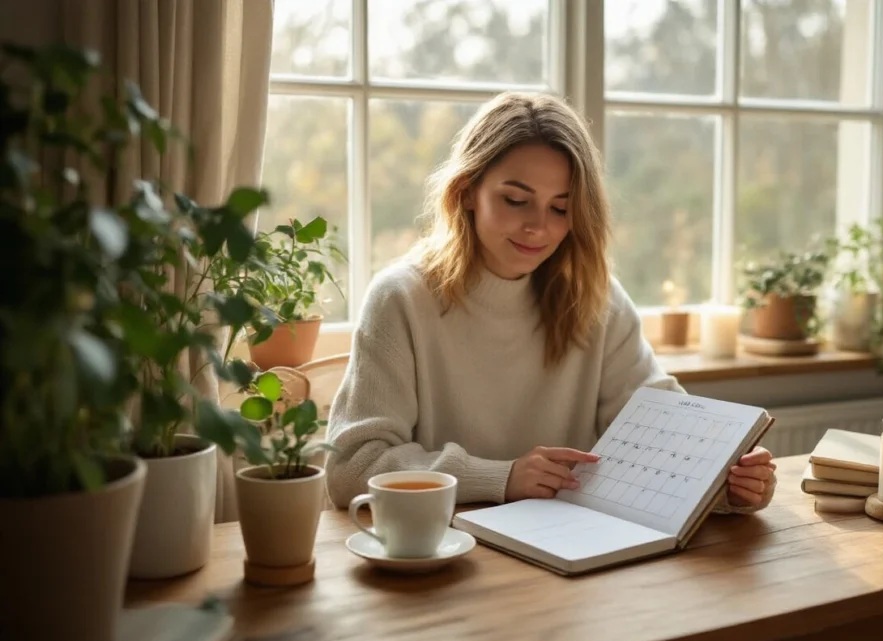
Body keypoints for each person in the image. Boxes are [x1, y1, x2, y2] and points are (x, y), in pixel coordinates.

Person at [325, 91, 776, 514]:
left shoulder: (597, 299)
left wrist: (732, 483)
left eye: (560, 208)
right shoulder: (401, 299)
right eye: (517, 200)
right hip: (442, 555)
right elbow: (352, 469)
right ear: (465, 192)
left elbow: (663, 434)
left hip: (570, 555)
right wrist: (501, 478)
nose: (538, 228)